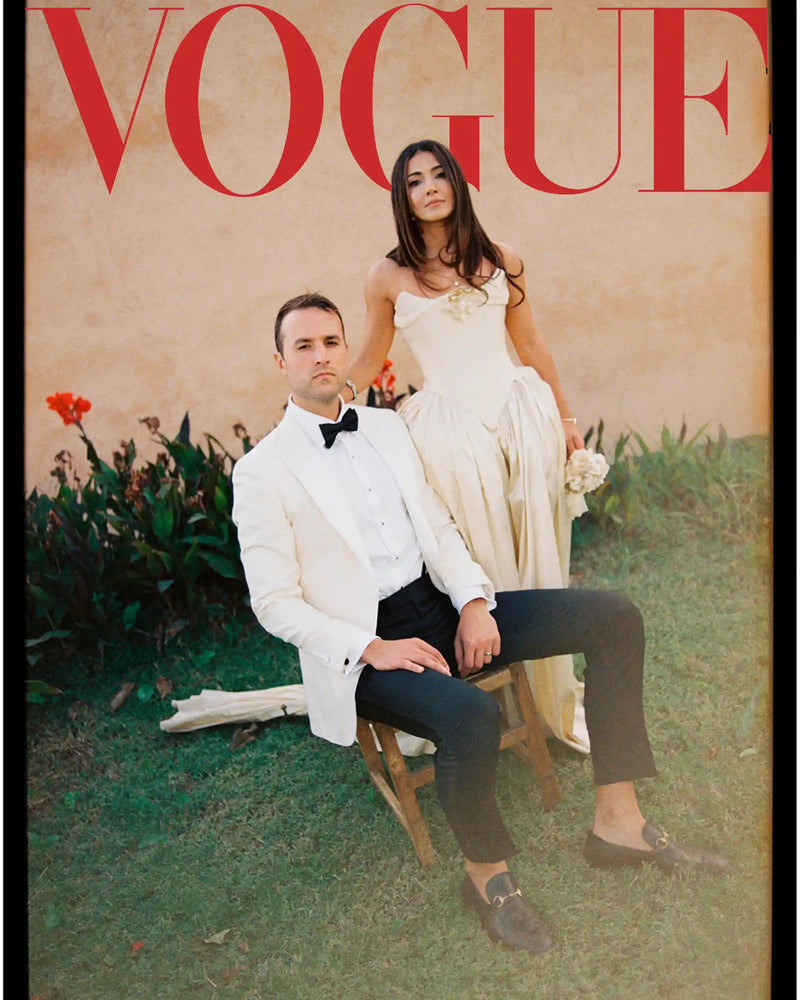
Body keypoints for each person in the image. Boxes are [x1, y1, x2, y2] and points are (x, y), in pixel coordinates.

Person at [231, 293, 729, 956]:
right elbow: (272, 602)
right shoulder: (260, 471)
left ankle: (619, 824)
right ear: (280, 362)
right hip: (364, 649)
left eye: (330, 342)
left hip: (439, 605)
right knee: (471, 715)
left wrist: (470, 602)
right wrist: (371, 647)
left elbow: (435, 524)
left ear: (345, 350)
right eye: (303, 346)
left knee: (614, 618)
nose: (320, 356)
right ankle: (488, 882)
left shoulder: (384, 427)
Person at [342, 139, 589, 754]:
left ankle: (550, 696)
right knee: (479, 556)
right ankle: (495, 702)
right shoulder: (387, 276)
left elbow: (531, 345)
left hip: (520, 419)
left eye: (438, 175)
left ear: (456, 182)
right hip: (449, 433)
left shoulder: (503, 258)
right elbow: (370, 357)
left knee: (537, 551)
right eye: (414, 181)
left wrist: (565, 419)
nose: (429, 188)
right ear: (402, 197)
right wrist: (325, 405)